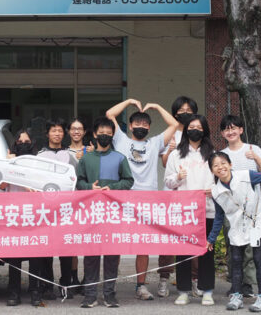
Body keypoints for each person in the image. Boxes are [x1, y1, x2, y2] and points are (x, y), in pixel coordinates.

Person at [106, 99, 178, 300]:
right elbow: (110, 114)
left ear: (149, 128)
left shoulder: (155, 143)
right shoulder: (121, 140)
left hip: (147, 201)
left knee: (142, 245)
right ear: (130, 126)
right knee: (116, 244)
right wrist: (129, 101)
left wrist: (156, 106)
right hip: (123, 199)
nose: (141, 126)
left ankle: (141, 286)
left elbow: (174, 124)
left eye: (145, 124)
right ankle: (110, 285)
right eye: (137, 123)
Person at [206, 151, 261, 312]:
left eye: (223, 163)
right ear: (212, 170)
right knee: (236, 260)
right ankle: (236, 295)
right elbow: (219, 216)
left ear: (230, 164)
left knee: (258, 259)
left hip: (257, 222)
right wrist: (211, 238)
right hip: (237, 227)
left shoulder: (246, 175)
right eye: (215, 165)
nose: (220, 167)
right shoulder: (215, 192)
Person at [77, 116, 134, 308]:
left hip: (113, 214)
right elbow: (78, 182)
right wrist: (89, 187)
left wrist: (114, 187)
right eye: (101, 133)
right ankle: (90, 295)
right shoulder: (86, 159)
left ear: (112, 136)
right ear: (94, 134)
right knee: (91, 256)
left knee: (111, 256)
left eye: (108, 133)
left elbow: (129, 181)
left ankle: (110, 295)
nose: (104, 136)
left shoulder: (120, 158)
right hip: (91, 214)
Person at [164, 114, 216, 306]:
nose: (195, 130)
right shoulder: (176, 154)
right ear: (186, 130)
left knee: (207, 251)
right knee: (183, 251)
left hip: (207, 209)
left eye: (199, 127)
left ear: (205, 131)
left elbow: (222, 177)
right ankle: (183, 291)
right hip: (184, 211)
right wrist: (178, 177)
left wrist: (214, 190)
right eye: (191, 127)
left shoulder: (212, 153)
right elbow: (168, 182)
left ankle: (207, 290)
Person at [219, 115, 261, 298]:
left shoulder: (253, 149)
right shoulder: (222, 155)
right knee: (233, 247)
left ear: (241, 130)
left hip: (253, 209)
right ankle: (235, 285)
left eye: (234, 128)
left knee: (251, 249)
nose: (230, 131)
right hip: (231, 209)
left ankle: (247, 285)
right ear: (222, 133)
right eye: (226, 129)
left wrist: (256, 158)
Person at [160, 96, 200, 298]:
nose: (185, 114)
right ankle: (164, 279)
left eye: (189, 111)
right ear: (175, 113)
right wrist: (170, 150)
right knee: (168, 240)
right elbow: (164, 163)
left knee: (193, 239)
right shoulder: (171, 134)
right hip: (172, 196)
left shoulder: (199, 134)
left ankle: (194, 280)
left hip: (193, 197)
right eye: (181, 111)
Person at [37, 119, 78, 300]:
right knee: (46, 249)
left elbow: (76, 179)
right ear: (47, 134)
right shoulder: (39, 156)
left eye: (60, 131)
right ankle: (47, 285)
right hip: (46, 209)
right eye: (53, 130)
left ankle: (65, 284)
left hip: (66, 209)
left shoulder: (71, 155)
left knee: (66, 249)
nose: (57, 134)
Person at [2, 129, 43, 307]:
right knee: (14, 256)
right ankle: (14, 291)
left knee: (35, 256)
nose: (23, 145)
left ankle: (35, 291)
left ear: (32, 144)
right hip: (14, 215)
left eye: (27, 142)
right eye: (20, 142)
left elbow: (41, 186)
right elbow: (1, 184)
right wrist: (9, 164)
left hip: (33, 215)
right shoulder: (8, 161)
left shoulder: (38, 163)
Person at [66, 118, 94, 291]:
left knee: (88, 242)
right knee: (73, 242)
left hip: (88, 201)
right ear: (69, 131)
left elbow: (95, 174)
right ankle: (73, 277)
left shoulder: (91, 151)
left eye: (80, 129)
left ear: (84, 132)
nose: (76, 131)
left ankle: (87, 278)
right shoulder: (64, 153)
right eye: (73, 128)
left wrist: (89, 157)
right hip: (70, 203)